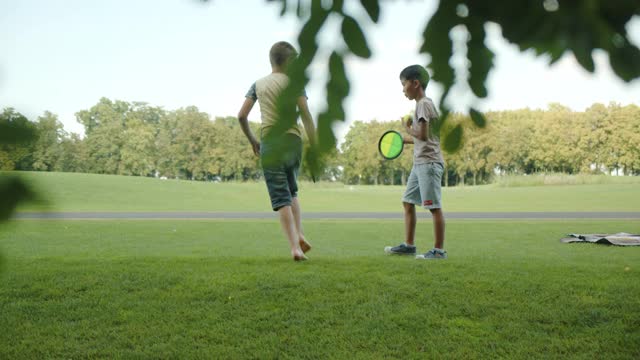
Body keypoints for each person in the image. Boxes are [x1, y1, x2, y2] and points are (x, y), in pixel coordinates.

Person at [237, 41, 316, 261]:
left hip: (270, 141)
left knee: (281, 197)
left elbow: (242, 116)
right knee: (292, 192)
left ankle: (294, 248)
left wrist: (253, 140)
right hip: (293, 141)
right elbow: (306, 115)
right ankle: (299, 234)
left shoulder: (258, 84)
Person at [384, 65, 447, 259]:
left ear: (415, 83)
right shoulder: (423, 105)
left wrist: (406, 128)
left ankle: (438, 251)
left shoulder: (423, 104)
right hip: (420, 163)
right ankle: (409, 245)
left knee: (433, 206)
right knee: (408, 201)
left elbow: (423, 134)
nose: (403, 89)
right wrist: (404, 139)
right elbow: (425, 137)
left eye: (404, 84)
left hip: (429, 163)